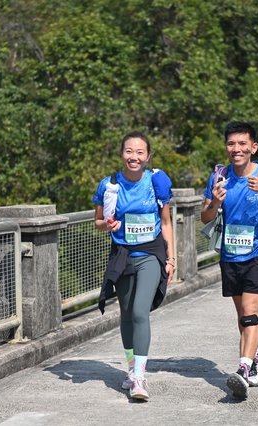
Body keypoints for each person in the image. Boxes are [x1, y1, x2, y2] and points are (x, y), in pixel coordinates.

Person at [201, 121, 258, 399]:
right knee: (244, 317)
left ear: (253, 147)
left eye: (242, 144)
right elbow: (205, 217)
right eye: (231, 144)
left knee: (249, 312)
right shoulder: (219, 177)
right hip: (230, 255)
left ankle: (243, 370)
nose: (236, 149)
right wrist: (215, 201)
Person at [93, 131, 175, 401]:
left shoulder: (156, 182)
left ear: (148, 156)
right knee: (127, 313)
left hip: (151, 253)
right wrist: (108, 225)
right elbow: (98, 222)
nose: (134, 157)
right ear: (121, 154)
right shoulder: (109, 185)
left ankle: (140, 377)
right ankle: (131, 369)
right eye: (129, 151)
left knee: (140, 311)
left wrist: (171, 258)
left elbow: (166, 222)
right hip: (123, 254)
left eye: (140, 152)